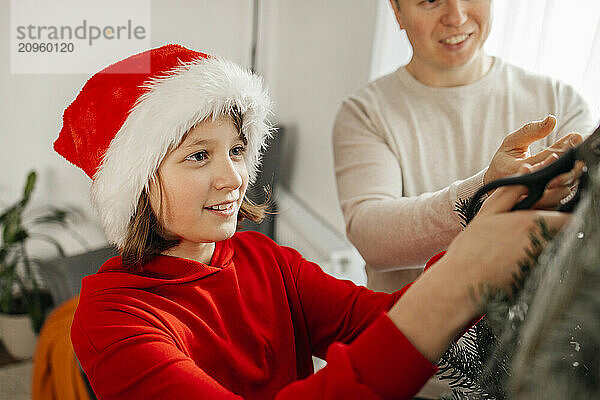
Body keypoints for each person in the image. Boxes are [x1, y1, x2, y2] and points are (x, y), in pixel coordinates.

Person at [56, 44, 572, 400]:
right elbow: (413, 328)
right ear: (139, 183)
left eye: (237, 150)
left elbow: (386, 323)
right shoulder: (111, 319)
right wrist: (465, 272)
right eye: (198, 156)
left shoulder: (267, 260)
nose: (233, 177)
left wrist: (496, 208)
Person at [332, 0, 597, 294]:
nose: (456, 17)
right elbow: (372, 238)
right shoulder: (364, 113)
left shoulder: (562, 101)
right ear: (397, 11)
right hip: (410, 333)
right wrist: (483, 191)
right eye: (431, 0)